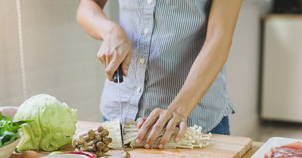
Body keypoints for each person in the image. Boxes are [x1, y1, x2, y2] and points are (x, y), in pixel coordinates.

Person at [77, 0, 243, 149]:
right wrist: (109, 31)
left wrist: (177, 111)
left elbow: (219, 35)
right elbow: (88, 5)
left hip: (193, 124)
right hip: (119, 114)